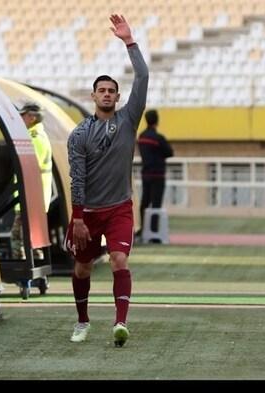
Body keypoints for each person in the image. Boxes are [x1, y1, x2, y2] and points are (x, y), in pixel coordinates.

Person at [64, 14, 148, 347]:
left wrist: (130, 42)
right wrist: (78, 217)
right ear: (93, 96)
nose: (108, 94)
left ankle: (120, 323)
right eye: (102, 90)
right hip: (88, 213)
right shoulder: (79, 134)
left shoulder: (129, 119)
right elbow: (77, 177)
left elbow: (142, 74)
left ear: (117, 96)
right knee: (82, 269)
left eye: (113, 90)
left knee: (119, 260)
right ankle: (83, 321)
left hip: (119, 209)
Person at [10, 101, 53, 260]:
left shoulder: (34, 139)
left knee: (19, 237)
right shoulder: (37, 135)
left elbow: (27, 166)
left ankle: (24, 273)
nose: (20, 119)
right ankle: (36, 269)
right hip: (33, 196)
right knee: (30, 238)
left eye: (23, 115)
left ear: (32, 117)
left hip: (31, 196)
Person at [137, 109, 174, 240]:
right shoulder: (159, 138)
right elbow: (170, 152)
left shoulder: (141, 137)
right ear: (157, 121)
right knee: (156, 205)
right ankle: (153, 232)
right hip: (158, 175)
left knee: (145, 202)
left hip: (146, 174)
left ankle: (143, 230)